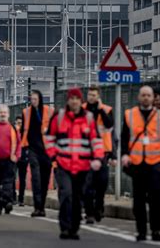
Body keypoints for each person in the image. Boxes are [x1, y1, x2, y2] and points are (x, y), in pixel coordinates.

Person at [46, 88, 104, 240]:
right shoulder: (59, 117)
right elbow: (49, 138)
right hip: (63, 164)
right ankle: (65, 227)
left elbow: (96, 141)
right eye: (71, 98)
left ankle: (74, 228)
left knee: (77, 198)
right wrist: (53, 155)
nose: (74, 101)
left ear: (81, 101)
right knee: (66, 195)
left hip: (83, 166)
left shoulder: (89, 119)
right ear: (68, 100)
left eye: (77, 98)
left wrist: (98, 158)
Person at [121, 85, 160, 242]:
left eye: (148, 95)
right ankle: (141, 231)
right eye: (143, 95)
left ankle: (156, 230)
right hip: (137, 163)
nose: (146, 98)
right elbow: (124, 137)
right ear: (139, 97)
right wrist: (124, 155)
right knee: (138, 200)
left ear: (152, 98)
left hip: (155, 162)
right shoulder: (130, 114)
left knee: (156, 199)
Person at [82, 85, 116, 224]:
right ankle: (89, 212)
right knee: (88, 184)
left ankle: (99, 207)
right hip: (85, 151)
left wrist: (101, 110)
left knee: (102, 182)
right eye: (90, 95)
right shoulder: (82, 110)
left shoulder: (106, 110)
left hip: (103, 151)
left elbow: (110, 127)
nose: (92, 97)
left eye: (94, 95)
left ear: (98, 96)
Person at [20, 90, 53, 217]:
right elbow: (24, 130)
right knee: (35, 178)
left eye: (35, 99)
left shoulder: (49, 111)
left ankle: (41, 207)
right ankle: (36, 206)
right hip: (32, 149)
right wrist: (24, 148)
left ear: (40, 99)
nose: (33, 101)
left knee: (44, 180)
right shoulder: (26, 112)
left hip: (46, 150)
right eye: (31, 99)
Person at [15, 115, 28, 206]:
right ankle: (12, 197)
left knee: (22, 179)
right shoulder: (13, 132)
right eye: (18, 123)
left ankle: (21, 199)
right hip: (14, 158)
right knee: (11, 177)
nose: (19, 125)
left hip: (23, 158)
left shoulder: (26, 134)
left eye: (21, 123)